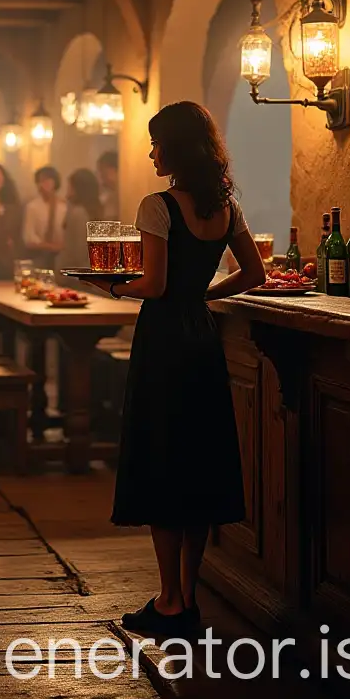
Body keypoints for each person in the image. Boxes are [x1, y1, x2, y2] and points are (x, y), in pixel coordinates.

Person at [85, 102, 265, 638]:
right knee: (198, 464)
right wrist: (206, 293)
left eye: (156, 142)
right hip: (202, 337)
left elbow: (154, 285)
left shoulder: (156, 205)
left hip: (163, 338)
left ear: (177, 148)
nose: (150, 151)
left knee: (163, 460)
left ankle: (168, 602)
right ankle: (188, 597)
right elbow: (252, 272)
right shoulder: (226, 206)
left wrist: (111, 286)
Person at [22, 166, 67, 269]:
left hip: (61, 257)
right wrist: (48, 246)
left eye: (47, 180)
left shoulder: (64, 207)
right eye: (40, 181)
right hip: (39, 256)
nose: (43, 184)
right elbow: (29, 237)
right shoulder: (32, 207)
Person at [62, 168, 102, 267]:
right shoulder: (94, 210)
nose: (67, 191)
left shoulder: (79, 213)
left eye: (70, 187)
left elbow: (79, 252)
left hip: (75, 274)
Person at [97, 150, 120, 220]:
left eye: (101, 170)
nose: (100, 175)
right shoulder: (108, 197)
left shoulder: (127, 195)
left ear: (112, 170)